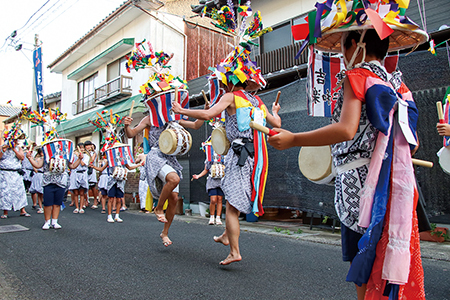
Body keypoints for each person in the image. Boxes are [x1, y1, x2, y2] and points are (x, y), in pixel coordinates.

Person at [268, 28, 426, 299]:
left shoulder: (357, 77)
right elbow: (414, 143)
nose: (342, 53)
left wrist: (294, 138)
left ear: (356, 44)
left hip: (359, 186)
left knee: (363, 258)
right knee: (384, 255)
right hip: (394, 185)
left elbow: (346, 129)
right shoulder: (400, 86)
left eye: (342, 46)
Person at [124, 115, 204, 246]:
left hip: (170, 158)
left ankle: (165, 233)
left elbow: (195, 125)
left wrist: (205, 111)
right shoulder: (149, 119)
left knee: (173, 198)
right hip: (155, 156)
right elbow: (131, 134)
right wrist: (127, 126)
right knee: (174, 179)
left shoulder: (172, 118)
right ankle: (159, 208)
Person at [27, 143, 84, 229]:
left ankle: (55, 221)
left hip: (61, 181)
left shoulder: (65, 157)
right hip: (48, 181)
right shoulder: (46, 156)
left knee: (57, 202)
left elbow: (72, 166)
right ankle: (47, 221)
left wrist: (79, 159)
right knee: (47, 202)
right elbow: (37, 165)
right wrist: (30, 158)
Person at [90, 156, 139, 223]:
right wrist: (94, 167)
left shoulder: (123, 160)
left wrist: (139, 165)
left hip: (120, 181)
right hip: (112, 180)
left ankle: (117, 215)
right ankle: (109, 216)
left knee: (119, 199)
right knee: (111, 198)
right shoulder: (110, 159)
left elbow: (129, 168)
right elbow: (102, 169)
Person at [0, 144, 30, 218]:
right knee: (5, 192)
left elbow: (22, 157)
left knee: (19, 191)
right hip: (5, 173)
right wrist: (3, 150)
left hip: (16, 173)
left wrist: (14, 149)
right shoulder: (3, 147)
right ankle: (5, 211)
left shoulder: (18, 147)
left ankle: (22, 210)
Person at [192, 158, 224, 225]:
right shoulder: (209, 158)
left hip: (221, 180)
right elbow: (206, 169)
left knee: (220, 199)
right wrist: (198, 176)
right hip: (212, 180)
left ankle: (218, 218)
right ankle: (212, 217)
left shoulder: (223, 157)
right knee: (213, 199)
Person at [68, 143, 89, 213]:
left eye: (83, 148)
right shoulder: (73, 156)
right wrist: (76, 156)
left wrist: (80, 157)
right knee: (76, 192)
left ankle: (81, 207)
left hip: (82, 174)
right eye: (80, 148)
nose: (82, 149)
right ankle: (77, 207)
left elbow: (83, 163)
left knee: (82, 192)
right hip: (75, 173)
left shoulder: (86, 156)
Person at [84, 141, 99, 209]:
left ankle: (95, 200)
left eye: (89, 145)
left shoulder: (93, 153)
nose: (88, 147)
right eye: (87, 145)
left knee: (92, 186)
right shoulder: (84, 153)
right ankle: (86, 200)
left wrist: (90, 152)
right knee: (85, 187)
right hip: (85, 170)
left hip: (92, 170)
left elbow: (91, 160)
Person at [29, 148, 44, 214]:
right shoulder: (38, 159)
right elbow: (34, 165)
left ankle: (47, 206)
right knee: (39, 192)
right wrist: (36, 170)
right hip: (39, 175)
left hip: (45, 175)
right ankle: (41, 207)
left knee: (44, 192)